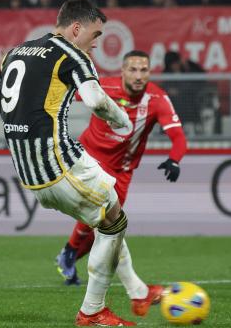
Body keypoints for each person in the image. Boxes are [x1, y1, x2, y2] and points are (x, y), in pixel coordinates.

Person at [0, 0, 155, 326]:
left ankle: (136, 290)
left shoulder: (15, 52)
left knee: (109, 219)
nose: (96, 43)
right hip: (59, 164)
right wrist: (122, 121)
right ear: (75, 28)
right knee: (114, 222)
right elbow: (96, 100)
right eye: (95, 34)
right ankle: (92, 310)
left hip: (29, 174)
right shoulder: (72, 54)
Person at [55, 50, 187, 291]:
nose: (138, 76)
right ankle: (72, 254)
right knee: (98, 213)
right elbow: (62, 95)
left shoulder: (157, 99)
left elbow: (178, 137)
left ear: (149, 72)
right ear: (123, 71)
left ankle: (70, 253)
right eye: (133, 70)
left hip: (123, 170)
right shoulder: (102, 87)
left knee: (107, 224)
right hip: (89, 158)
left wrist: (174, 159)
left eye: (143, 70)